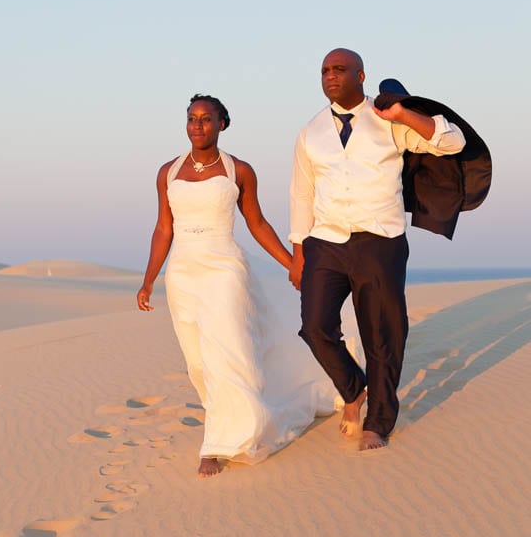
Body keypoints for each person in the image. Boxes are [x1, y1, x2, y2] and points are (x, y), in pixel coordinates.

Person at [138, 94, 340, 478]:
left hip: (224, 269)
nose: (197, 126)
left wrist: (293, 263)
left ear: (222, 124)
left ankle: (219, 444)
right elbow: (164, 227)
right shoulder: (167, 171)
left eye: (206, 119)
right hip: (182, 272)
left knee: (227, 351)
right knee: (197, 360)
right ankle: (234, 419)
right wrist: (149, 280)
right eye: (191, 119)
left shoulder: (239, 170)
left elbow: (257, 223)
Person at [289, 48, 467, 451]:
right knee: (315, 327)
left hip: (379, 240)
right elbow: (301, 193)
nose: (330, 76)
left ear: (361, 75)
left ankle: (378, 422)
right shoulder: (310, 131)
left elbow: (451, 142)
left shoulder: (388, 118)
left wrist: (403, 114)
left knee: (382, 334)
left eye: (339, 69)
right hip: (326, 241)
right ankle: (354, 391)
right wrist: (299, 252)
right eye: (324, 71)